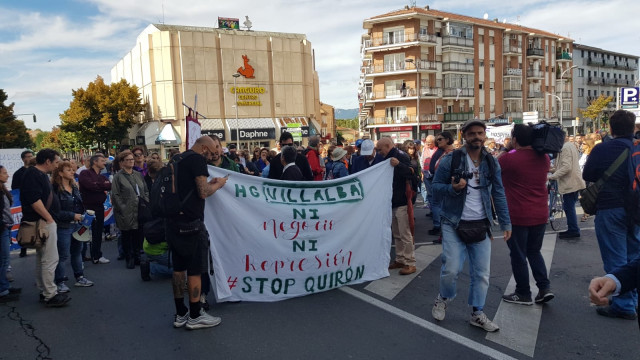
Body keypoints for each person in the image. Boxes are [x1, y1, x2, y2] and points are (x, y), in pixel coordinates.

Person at [431, 119, 511, 332]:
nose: (477, 137)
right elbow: (435, 188)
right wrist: (453, 188)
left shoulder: (492, 162)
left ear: (485, 135)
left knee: (482, 273)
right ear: (464, 137)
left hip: (481, 223)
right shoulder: (452, 159)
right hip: (453, 221)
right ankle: (444, 297)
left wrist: (505, 222)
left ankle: (477, 313)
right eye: (472, 133)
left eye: (480, 133)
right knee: (451, 269)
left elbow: (499, 192)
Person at [583, 110, 640, 320]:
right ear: (633, 128)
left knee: (616, 258)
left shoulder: (602, 149)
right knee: (635, 256)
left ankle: (624, 305)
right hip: (636, 209)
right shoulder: (637, 148)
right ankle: (633, 301)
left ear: (611, 128)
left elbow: (587, 174)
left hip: (610, 207)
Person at [169, 135, 228, 330]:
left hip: (172, 221)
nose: (212, 156)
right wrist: (218, 185)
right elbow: (203, 192)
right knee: (195, 270)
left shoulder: (178, 158)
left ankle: (180, 313)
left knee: (178, 270)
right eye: (211, 153)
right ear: (203, 148)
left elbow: (187, 188)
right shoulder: (196, 160)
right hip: (191, 223)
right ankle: (195, 314)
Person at [498, 124, 554, 305]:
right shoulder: (544, 157)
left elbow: (494, 166)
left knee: (518, 255)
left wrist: (508, 147)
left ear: (515, 139)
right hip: (540, 213)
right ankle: (544, 288)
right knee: (534, 252)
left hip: (518, 214)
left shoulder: (508, 159)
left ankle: (523, 292)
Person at [21, 149, 70, 307]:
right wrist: (49, 219)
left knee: (43, 259)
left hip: (43, 221)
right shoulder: (33, 175)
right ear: (47, 161)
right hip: (43, 223)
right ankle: (50, 294)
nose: (57, 166)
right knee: (50, 259)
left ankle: (45, 290)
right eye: (56, 162)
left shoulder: (36, 174)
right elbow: (34, 200)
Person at [51, 161, 94, 292]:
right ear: (60, 173)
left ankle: (79, 277)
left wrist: (85, 215)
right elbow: (55, 212)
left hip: (78, 224)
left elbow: (79, 205)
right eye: (68, 170)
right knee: (62, 255)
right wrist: (72, 215)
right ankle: (60, 281)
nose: (72, 171)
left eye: (72, 169)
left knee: (77, 252)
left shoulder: (74, 187)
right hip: (63, 226)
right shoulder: (55, 189)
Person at [377, 137, 416, 276]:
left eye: (380, 149)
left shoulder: (400, 156)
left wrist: (398, 165)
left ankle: (410, 262)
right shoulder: (387, 157)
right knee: (397, 233)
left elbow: (412, 173)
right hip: (392, 201)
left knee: (405, 233)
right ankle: (400, 258)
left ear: (387, 146)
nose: (379, 152)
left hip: (401, 201)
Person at [112, 150, 149, 269]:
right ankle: (129, 257)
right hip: (126, 210)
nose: (131, 161)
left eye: (132, 159)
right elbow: (115, 194)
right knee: (127, 234)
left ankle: (138, 256)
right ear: (122, 162)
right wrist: (122, 207)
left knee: (139, 233)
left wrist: (146, 201)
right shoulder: (118, 177)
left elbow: (145, 189)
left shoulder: (138, 175)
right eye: (127, 160)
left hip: (140, 208)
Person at [548, 133, 586, 239]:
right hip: (573, 181)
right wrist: (551, 170)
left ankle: (573, 229)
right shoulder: (569, 146)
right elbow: (565, 166)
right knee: (569, 207)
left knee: (569, 207)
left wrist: (552, 176)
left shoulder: (565, 148)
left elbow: (566, 167)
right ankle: (573, 229)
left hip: (570, 183)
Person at [79, 154, 112, 264]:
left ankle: (97, 255)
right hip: (87, 208)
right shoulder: (85, 173)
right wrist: (101, 185)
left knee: (98, 232)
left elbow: (108, 185)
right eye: (102, 161)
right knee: (83, 232)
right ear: (95, 162)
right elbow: (89, 185)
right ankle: (80, 256)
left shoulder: (102, 176)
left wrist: (99, 185)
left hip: (99, 207)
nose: (104, 162)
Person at [0, 165, 21, 302]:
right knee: (3, 260)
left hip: (5, 228)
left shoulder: (3, 190)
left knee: (4, 260)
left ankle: (4, 286)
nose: (7, 175)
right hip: (2, 228)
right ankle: (2, 290)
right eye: (4, 173)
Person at [12, 149, 34, 258]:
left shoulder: (36, 171)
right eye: (27, 156)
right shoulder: (18, 174)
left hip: (36, 201)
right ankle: (23, 247)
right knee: (24, 226)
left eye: (31, 156)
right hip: (24, 203)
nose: (30, 158)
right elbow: (15, 190)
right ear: (23, 159)